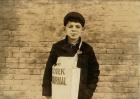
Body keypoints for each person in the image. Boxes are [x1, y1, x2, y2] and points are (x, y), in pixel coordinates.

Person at [42, 11, 100, 99]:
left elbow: (94, 72)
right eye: (70, 26)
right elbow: (48, 71)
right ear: (64, 29)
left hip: (80, 95)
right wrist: (48, 94)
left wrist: (88, 92)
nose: (74, 29)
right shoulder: (57, 47)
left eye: (77, 27)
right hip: (59, 93)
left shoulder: (87, 49)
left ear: (82, 29)